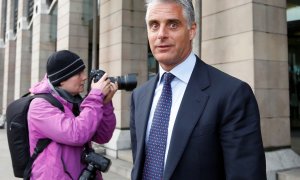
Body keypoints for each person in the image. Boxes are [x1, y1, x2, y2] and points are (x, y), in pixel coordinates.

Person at [130, 0, 266, 179]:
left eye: (172, 24)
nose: (161, 34)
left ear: (192, 30)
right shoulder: (139, 96)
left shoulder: (232, 94)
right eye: (154, 25)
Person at [27, 50, 117, 179]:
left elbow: (102, 136)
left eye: (84, 72)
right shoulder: (40, 106)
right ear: (62, 80)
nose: (85, 77)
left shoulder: (73, 101)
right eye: (78, 73)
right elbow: (77, 134)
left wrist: (105, 104)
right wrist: (95, 96)